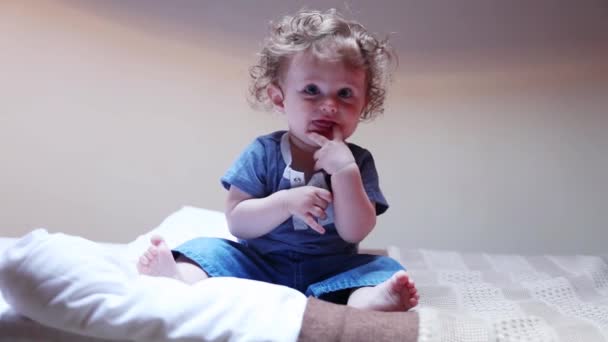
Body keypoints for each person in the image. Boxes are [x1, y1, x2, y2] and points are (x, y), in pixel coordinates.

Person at [137, 8, 419, 311]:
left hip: (333, 267)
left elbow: (356, 231)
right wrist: (284, 202)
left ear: (364, 104)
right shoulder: (263, 152)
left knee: (383, 267)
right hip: (259, 266)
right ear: (279, 98)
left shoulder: (358, 161)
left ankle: (370, 301)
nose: (329, 105)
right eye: (312, 90)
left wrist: (345, 171)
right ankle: (178, 276)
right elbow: (238, 221)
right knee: (205, 250)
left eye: (345, 93)